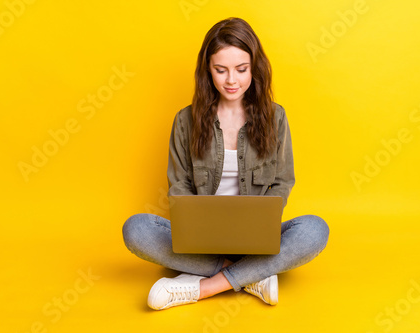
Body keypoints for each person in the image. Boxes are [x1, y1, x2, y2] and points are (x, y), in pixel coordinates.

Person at [122, 17, 329, 311]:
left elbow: (283, 181)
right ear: (208, 70)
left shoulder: (276, 117)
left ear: (254, 69)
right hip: (202, 241)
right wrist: (196, 230)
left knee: (314, 230)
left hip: (255, 240)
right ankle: (251, 276)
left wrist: (260, 226)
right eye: (221, 70)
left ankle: (205, 286)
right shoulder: (185, 121)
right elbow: (180, 186)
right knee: (136, 229)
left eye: (241, 70)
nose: (232, 80)